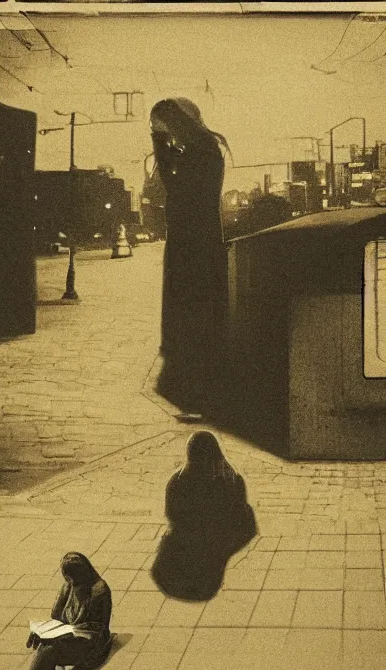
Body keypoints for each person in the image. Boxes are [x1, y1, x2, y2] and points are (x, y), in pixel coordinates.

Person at [150, 98, 231, 411]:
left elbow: (178, 190)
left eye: (162, 125)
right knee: (192, 316)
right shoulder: (199, 150)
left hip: (196, 246)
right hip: (191, 244)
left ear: (179, 122)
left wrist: (161, 148)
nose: (159, 131)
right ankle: (196, 392)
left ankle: (199, 395)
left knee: (195, 316)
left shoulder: (202, 152)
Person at [151, 431, 257, 601]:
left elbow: (171, 516)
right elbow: (244, 522)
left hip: (177, 561)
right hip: (208, 578)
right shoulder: (231, 480)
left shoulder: (177, 482)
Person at [5, 552, 113, 670]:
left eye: (74, 579)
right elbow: (56, 614)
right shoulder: (69, 584)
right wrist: (42, 632)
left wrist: (66, 634)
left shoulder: (99, 591)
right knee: (46, 645)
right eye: (67, 578)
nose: (70, 582)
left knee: (50, 650)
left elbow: (96, 630)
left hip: (93, 647)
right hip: (71, 635)